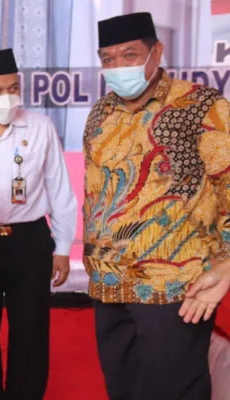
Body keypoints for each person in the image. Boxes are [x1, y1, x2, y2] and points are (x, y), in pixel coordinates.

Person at [83, 12, 230, 399]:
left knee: (173, 389)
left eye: (129, 55)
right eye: (108, 59)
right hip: (108, 285)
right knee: (123, 387)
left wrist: (227, 263)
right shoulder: (100, 113)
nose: (117, 67)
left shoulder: (201, 106)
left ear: (156, 52)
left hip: (175, 286)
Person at [0, 48, 77, 400]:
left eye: (12, 88)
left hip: (30, 241)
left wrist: (64, 248)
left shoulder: (39, 127)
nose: (7, 98)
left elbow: (60, 189)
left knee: (31, 333)